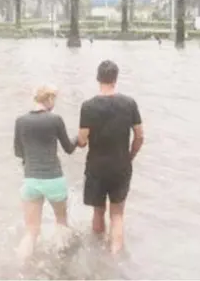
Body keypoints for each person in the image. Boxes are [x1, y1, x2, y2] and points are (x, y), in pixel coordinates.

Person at [77, 60, 144, 254]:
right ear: (115, 78)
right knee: (117, 215)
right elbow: (139, 136)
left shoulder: (88, 106)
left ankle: (98, 258)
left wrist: (77, 142)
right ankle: (115, 260)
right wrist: (130, 156)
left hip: (96, 166)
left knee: (98, 212)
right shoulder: (129, 103)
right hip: (121, 165)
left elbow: (82, 140)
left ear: (98, 78)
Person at [14, 85, 77, 260]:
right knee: (61, 224)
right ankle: (61, 264)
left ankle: (21, 269)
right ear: (49, 100)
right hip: (54, 178)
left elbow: (18, 152)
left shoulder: (20, 121)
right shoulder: (55, 119)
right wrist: (79, 139)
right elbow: (69, 148)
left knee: (31, 232)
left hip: (31, 180)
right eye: (53, 100)